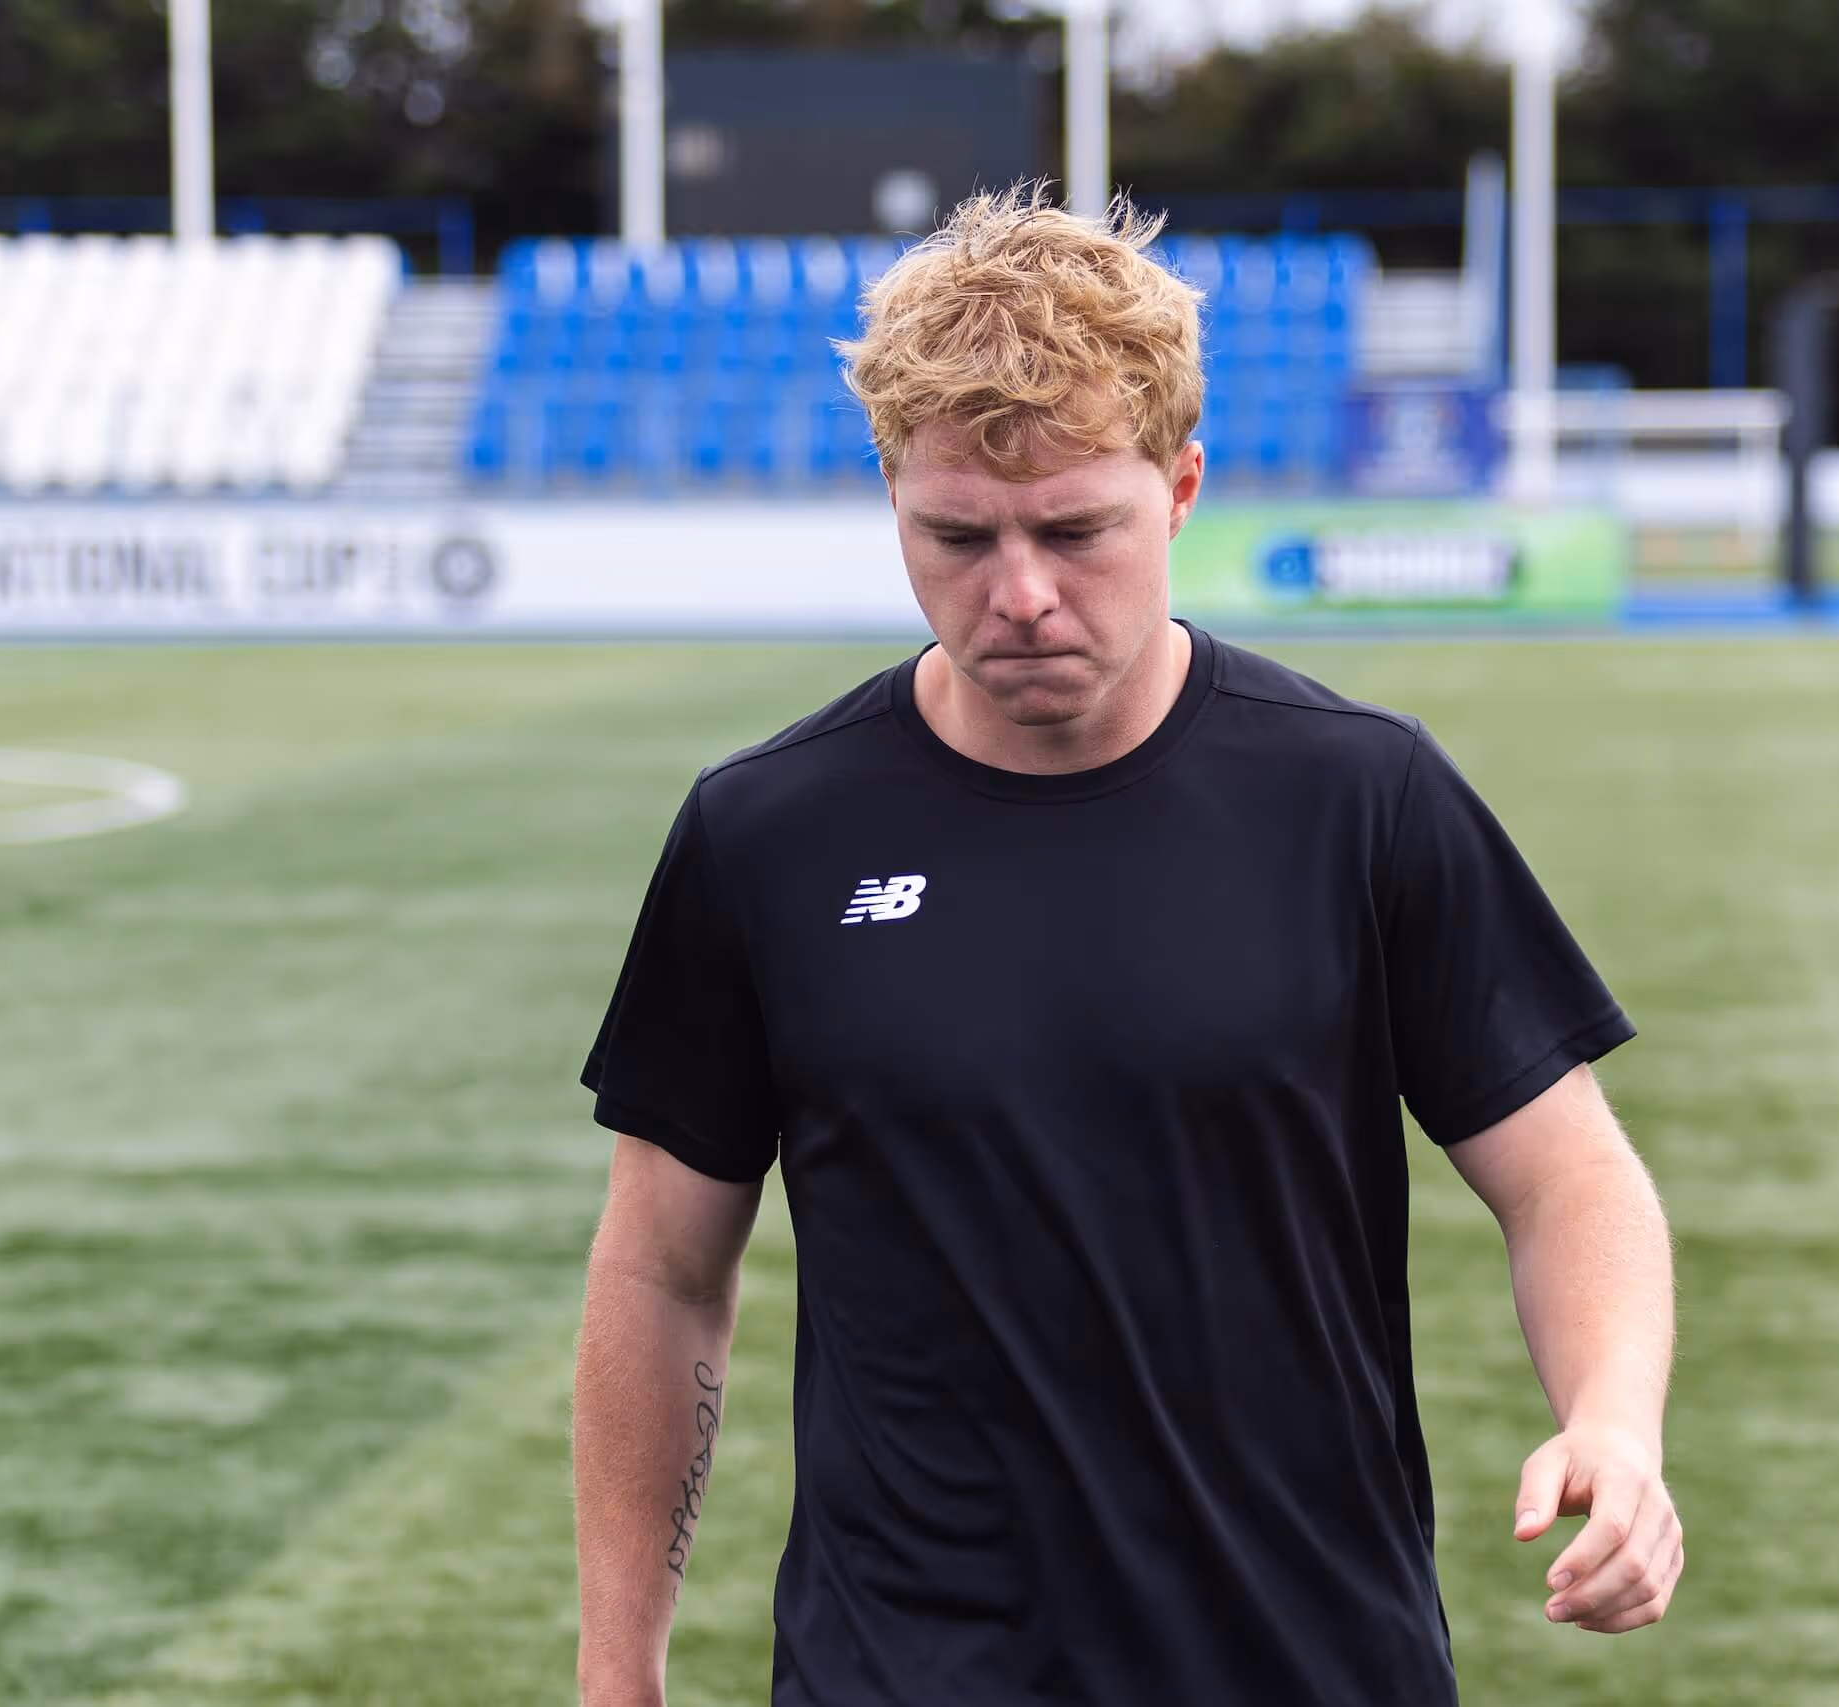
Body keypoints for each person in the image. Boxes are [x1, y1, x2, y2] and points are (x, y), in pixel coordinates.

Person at [572, 186, 1683, 1707]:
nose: (1019, 594)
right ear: (891, 499)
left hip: (1306, 1655)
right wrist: (615, 1664)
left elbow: (1570, 1174)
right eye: (955, 535)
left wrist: (1614, 1417)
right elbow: (658, 1268)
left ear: (1181, 487)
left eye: (1074, 528)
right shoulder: (768, 830)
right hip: (905, 1666)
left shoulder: (1357, 793)